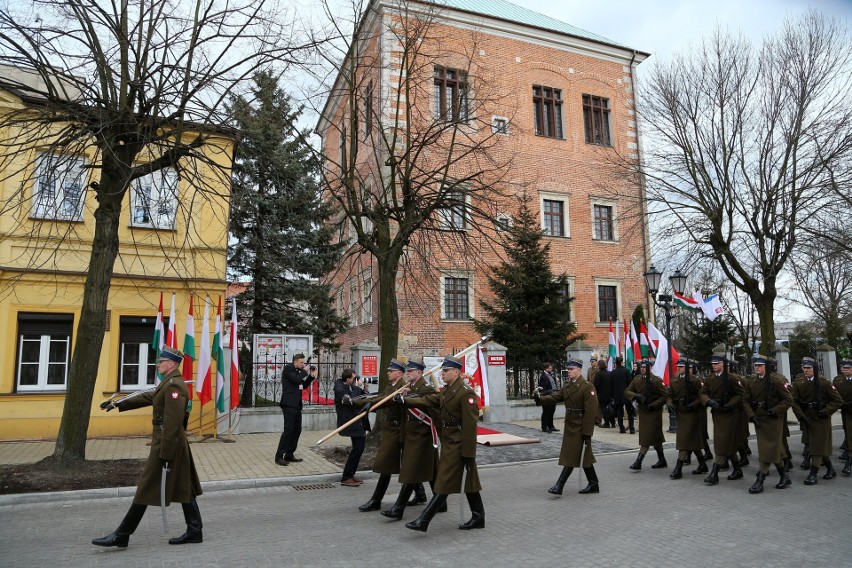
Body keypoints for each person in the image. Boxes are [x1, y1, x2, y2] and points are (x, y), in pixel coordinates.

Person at [92, 346, 203, 548]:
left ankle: (122, 534)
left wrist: (166, 452)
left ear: (171, 364)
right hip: (170, 442)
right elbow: (147, 397)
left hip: (168, 442)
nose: (157, 364)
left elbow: (173, 422)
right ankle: (195, 530)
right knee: (184, 486)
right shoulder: (168, 383)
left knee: (146, 486)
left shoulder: (175, 386)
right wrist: (118, 404)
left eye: (161, 361)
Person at [399, 355, 484, 532]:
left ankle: (424, 520)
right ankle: (478, 516)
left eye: (445, 371)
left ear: (456, 372)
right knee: (469, 480)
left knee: (444, 480)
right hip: (449, 440)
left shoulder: (465, 392)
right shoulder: (446, 390)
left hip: (459, 442)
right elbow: (427, 400)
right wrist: (405, 401)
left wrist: (469, 454)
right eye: (442, 370)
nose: (442, 374)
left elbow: (470, 425)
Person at [381, 358, 441, 519]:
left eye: (410, 371)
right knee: (433, 471)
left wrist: (407, 399)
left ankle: (398, 508)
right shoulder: (409, 387)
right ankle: (441, 502)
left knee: (410, 471)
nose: (407, 373)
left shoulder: (426, 388)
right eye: (407, 371)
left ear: (419, 373)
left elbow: (431, 405)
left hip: (422, 435)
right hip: (411, 434)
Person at [533, 358, 599, 496]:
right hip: (570, 424)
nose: (568, 371)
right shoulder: (567, 386)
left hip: (581, 425)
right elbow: (556, 397)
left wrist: (587, 432)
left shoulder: (587, 387)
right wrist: (540, 399)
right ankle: (593, 483)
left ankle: (559, 485)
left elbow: (591, 412)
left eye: (571, 369)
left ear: (579, 370)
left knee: (572, 454)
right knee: (582, 454)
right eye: (568, 369)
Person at [356, 359, 406, 512]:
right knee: (408, 464)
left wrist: (369, 404)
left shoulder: (402, 387)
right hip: (391, 428)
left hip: (399, 429)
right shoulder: (391, 386)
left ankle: (376, 500)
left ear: (399, 373)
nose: (388, 373)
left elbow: (385, 401)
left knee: (387, 464)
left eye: (391, 371)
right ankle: (421, 494)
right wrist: (357, 402)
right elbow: (380, 398)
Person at [741, 355, 794, 493]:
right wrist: (751, 415)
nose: (757, 367)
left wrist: (776, 410)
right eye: (755, 365)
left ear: (766, 367)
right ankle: (784, 476)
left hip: (774, 419)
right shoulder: (751, 381)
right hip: (760, 418)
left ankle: (760, 480)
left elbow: (788, 399)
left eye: (760, 365)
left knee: (767, 449)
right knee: (773, 449)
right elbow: (745, 400)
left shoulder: (775, 381)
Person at [791, 357, 843, 485]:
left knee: (817, 447)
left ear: (814, 368)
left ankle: (813, 473)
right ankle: (830, 469)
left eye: (809, 368)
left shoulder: (824, 383)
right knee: (811, 445)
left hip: (820, 419)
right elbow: (794, 401)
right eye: (804, 368)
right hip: (807, 418)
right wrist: (801, 416)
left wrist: (825, 412)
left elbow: (838, 401)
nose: (806, 370)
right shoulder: (799, 383)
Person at [699, 355, 746, 484]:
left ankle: (714, 473)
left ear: (723, 364)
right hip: (717, 414)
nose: (714, 366)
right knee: (726, 444)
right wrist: (709, 401)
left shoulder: (731, 378)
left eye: (717, 363)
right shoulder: (710, 379)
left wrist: (731, 403)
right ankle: (737, 469)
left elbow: (741, 394)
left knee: (721, 443)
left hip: (730, 415)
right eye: (712, 364)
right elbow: (702, 393)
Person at [625, 359, 669, 471]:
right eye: (642, 367)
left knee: (647, 437)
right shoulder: (637, 379)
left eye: (645, 367)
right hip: (643, 411)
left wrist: (654, 405)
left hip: (654, 412)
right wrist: (636, 396)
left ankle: (638, 461)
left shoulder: (656, 381)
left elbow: (665, 396)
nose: (643, 369)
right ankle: (662, 459)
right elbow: (627, 391)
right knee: (655, 437)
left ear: (650, 368)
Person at [667, 358, 708, 478]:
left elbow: (702, 395)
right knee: (692, 441)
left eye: (681, 367)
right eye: (677, 366)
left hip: (692, 414)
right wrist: (670, 405)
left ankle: (678, 468)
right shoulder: (675, 381)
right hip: (681, 412)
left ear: (687, 368)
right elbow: (669, 395)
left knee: (684, 441)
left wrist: (694, 404)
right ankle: (703, 464)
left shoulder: (694, 380)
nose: (678, 368)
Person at [274, 353, 317, 466]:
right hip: (288, 404)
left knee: (297, 430)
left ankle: (289, 454)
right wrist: (305, 371)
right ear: (295, 362)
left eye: (304, 363)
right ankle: (279, 456)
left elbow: (303, 385)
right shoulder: (288, 369)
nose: (303, 365)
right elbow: (296, 380)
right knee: (288, 430)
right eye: (301, 363)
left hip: (297, 405)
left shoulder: (298, 372)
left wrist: (311, 377)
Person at [334, 368, 369, 487]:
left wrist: (364, 388)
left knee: (359, 448)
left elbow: (364, 399)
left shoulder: (352, 387)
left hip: (358, 421)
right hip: (350, 421)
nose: (355, 380)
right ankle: (346, 477)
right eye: (353, 378)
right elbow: (350, 400)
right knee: (358, 448)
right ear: (347, 379)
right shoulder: (339, 387)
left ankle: (350, 475)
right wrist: (358, 388)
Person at [833, 359, 852, 475]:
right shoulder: (839, 381)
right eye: (844, 369)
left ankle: (849, 462)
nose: (845, 371)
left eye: (848, 369)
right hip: (847, 412)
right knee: (849, 434)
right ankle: (849, 459)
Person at [609, 356, 634, 434]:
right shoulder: (626, 371)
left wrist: (612, 396)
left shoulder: (613, 372)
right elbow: (630, 383)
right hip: (626, 394)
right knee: (630, 413)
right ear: (622, 362)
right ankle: (631, 428)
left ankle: (621, 428)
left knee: (620, 413)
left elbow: (611, 386)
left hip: (617, 395)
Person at [538, 362, 559, 433]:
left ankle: (551, 426)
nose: (551, 369)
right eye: (550, 368)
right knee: (546, 412)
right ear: (546, 368)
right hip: (547, 396)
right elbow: (543, 388)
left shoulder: (551, 375)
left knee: (552, 411)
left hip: (553, 395)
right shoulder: (543, 376)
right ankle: (544, 427)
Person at [595, 359, 614, 428]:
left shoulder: (598, 374)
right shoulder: (609, 373)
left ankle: (606, 423)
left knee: (604, 410)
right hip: (609, 394)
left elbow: (596, 385)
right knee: (610, 409)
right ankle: (613, 422)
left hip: (602, 395)